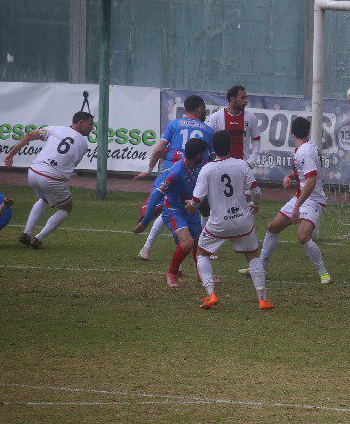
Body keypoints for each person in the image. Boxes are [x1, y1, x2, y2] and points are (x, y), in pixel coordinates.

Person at [186, 130, 272, 310]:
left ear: (213, 148)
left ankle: (211, 295)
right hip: (242, 220)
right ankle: (263, 299)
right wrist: (255, 205)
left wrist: (190, 206)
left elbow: (196, 200)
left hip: (218, 223)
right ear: (231, 146)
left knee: (202, 253)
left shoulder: (207, 169)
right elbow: (256, 191)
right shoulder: (241, 165)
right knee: (252, 256)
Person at [245, 116, 332, 285]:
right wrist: (291, 176)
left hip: (313, 200)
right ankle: (261, 267)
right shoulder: (309, 146)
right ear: (307, 132)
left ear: (291, 131)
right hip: (302, 196)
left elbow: (312, 180)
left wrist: (297, 206)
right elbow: (309, 173)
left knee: (303, 236)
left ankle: (323, 272)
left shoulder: (303, 152)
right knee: (272, 228)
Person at [134, 94, 214, 261]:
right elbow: (211, 158)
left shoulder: (174, 124)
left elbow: (158, 150)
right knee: (186, 212)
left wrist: (149, 170)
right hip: (194, 178)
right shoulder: (208, 130)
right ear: (199, 108)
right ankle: (198, 257)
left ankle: (147, 246)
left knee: (170, 208)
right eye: (203, 107)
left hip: (172, 172)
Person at [3, 111, 94, 249]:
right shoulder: (83, 143)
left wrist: (10, 154)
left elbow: (29, 136)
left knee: (44, 199)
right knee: (67, 207)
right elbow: (70, 165)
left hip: (33, 172)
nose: (92, 127)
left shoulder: (54, 129)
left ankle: (26, 233)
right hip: (51, 177)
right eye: (90, 124)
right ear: (80, 123)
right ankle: (38, 238)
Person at [133, 138, 209, 288]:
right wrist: (145, 222)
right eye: (204, 153)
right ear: (197, 155)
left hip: (190, 209)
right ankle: (172, 273)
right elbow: (157, 194)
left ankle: (200, 273)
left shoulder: (197, 167)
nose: (206, 155)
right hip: (174, 211)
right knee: (187, 244)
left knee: (198, 243)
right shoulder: (177, 171)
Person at [207, 85, 261, 168]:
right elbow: (208, 140)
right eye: (242, 98)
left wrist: (251, 161)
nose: (246, 101)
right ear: (232, 99)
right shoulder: (216, 117)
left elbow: (256, 140)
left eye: (246, 98)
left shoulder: (250, 117)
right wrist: (214, 159)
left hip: (242, 166)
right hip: (221, 167)